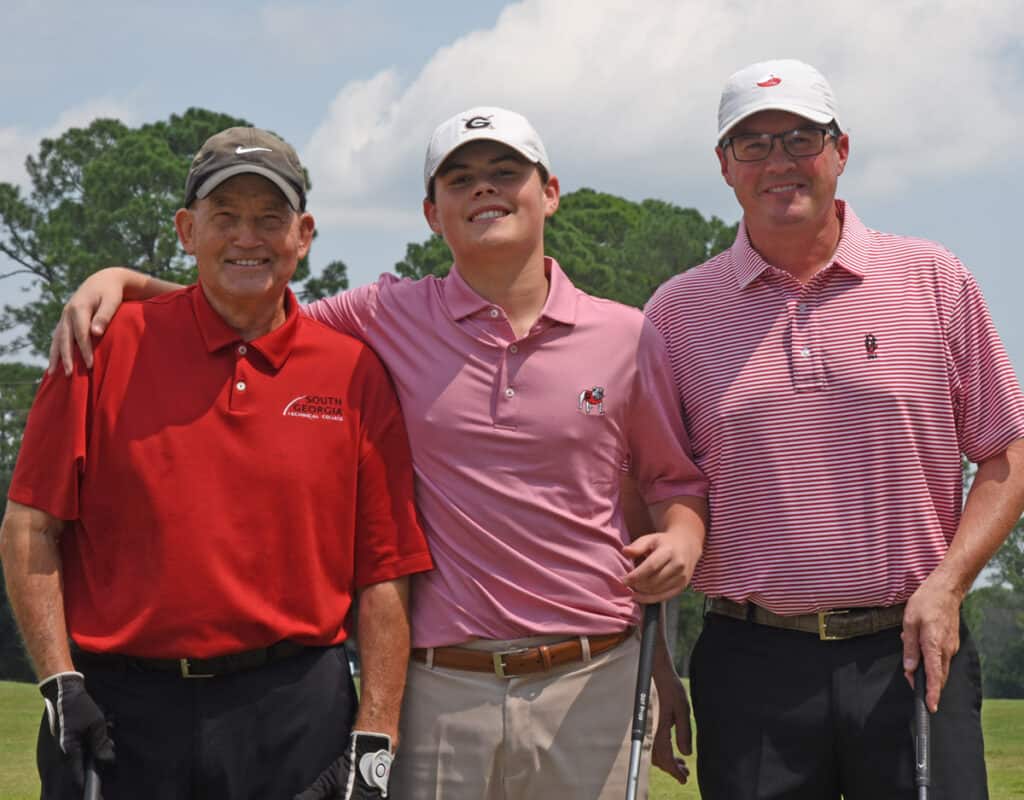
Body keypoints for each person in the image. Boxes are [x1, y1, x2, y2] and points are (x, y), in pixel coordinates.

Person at [47, 107, 708, 799]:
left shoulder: (629, 336)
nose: (484, 189)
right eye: (461, 179)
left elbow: (672, 483)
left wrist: (683, 545)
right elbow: (248, 299)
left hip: (592, 678)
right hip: (441, 687)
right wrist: (124, 284)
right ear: (432, 212)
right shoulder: (384, 314)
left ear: (549, 192)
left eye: (505, 173)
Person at [0, 126, 433, 800]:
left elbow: (384, 570)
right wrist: (59, 678)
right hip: (119, 711)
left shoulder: (352, 371)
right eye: (224, 217)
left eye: (269, 219)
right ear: (186, 229)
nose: (247, 238)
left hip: (294, 709)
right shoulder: (101, 347)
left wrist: (376, 732)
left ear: (304, 235)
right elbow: (31, 526)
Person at [642, 59, 1024, 799]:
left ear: (840, 150)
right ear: (724, 167)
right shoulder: (675, 315)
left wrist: (948, 587)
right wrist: (656, 663)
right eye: (752, 144)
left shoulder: (934, 279)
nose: (779, 161)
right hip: (749, 662)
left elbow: (1005, 456)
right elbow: (654, 494)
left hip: (915, 647)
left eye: (800, 138)